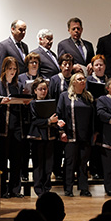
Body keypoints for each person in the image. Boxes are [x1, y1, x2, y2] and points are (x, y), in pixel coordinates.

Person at [0, 56, 26, 198]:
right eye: (10, 68)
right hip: (2, 127)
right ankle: (2, 190)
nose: (12, 71)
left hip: (17, 127)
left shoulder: (18, 86)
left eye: (15, 69)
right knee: (2, 161)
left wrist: (25, 102)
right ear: (4, 69)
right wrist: (1, 103)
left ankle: (15, 189)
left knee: (16, 160)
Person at [57, 72, 94, 197]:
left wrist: (94, 133)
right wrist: (61, 132)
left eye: (83, 79)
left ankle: (84, 188)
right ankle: (68, 189)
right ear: (73, 82)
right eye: (79, 79)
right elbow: (59, 114)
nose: (82, 81)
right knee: (70, 163)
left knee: (83, 163)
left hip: (85, 136)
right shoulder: (64, 97)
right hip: (70, 135)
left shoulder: (88, 97)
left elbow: (92, 117)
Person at [27, 78, 58, 196]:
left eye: (45, 89)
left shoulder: (50, 102)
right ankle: (39, 189)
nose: (43, 91)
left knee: (48, 165)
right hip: (37, 137)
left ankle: (47, 188)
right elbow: (34, 121)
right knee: (38, 165)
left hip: (49, 137)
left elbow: (55, 117)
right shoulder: (32, 104)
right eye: (40, 89)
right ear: (35, 91)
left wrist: (56, 123)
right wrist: (49, 121)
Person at [49, 53, 74, 181]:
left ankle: (69, 171)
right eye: (65, 64)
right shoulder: (55, 79)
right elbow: (52, 97)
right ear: (60, 66)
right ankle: (57, 170)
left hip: (71, 116)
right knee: (57, 147)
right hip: (58, 115)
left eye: (69, 64)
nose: (67, 67)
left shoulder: (74, 79)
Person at [18, 52, 42, 182]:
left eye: (36, 62)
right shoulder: (21, 77)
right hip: (24, 115)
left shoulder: (42, 77)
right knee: (24, 147)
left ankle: (38, 174)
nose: (33, 64)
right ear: (27, 64)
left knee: (37, 148)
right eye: (31, 62)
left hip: (38, 115)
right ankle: (24, 173)